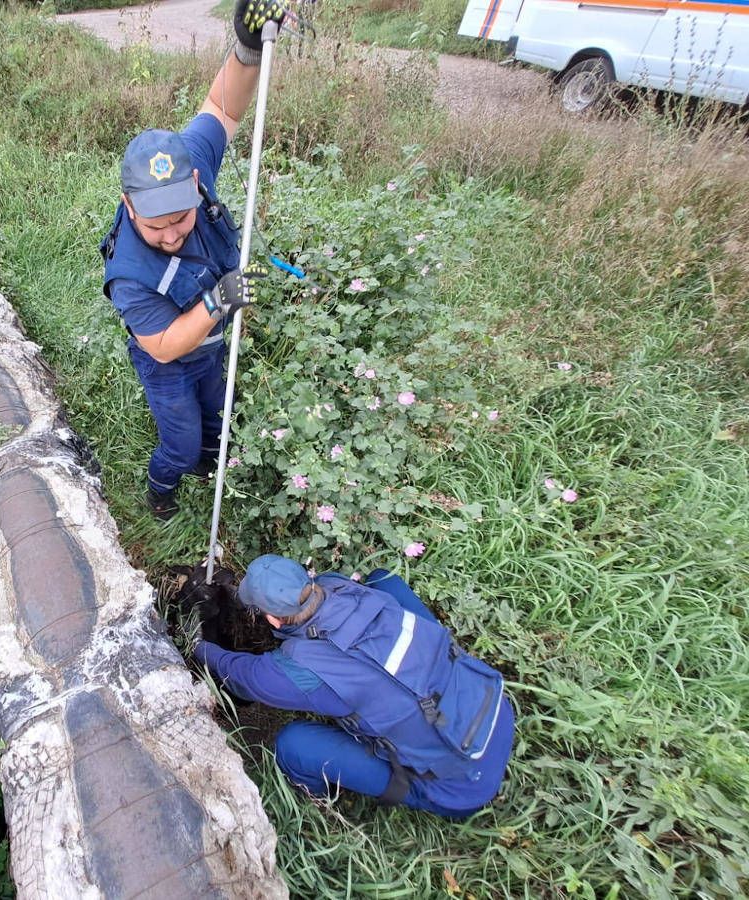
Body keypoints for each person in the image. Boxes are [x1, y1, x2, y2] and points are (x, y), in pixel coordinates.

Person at [100, 0, 288, 520]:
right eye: (154, 224)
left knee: (216, 422)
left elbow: (222, 108)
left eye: (180, 219)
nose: (170, 234)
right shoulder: (130, 276)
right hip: (169, 363)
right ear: (128, 204)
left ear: (196, 184)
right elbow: (162, 346)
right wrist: (220, 299)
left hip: (211, 349)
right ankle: (160, 489)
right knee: (179, 445)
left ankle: (208, 466)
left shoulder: (191, 163)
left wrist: (247, 50)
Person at [194, 555, 516, 817]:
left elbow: (242, 676)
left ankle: (318, 799)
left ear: (273, 621)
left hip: (460, 784)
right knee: (383, 578)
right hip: (494, 709)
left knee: (293, 746)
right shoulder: (340, 587)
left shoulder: (303, 671)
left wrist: (199, 646)